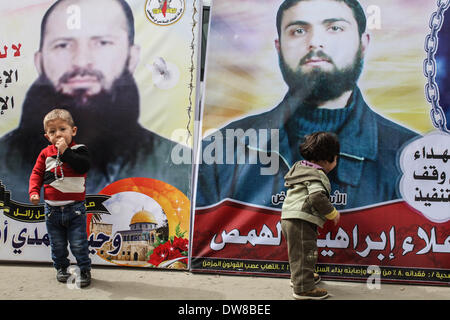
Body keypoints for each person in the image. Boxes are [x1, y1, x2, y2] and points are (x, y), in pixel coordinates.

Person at [196, 0, 419, 210]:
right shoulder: (220, 151)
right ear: (279, 47)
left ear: (363, 44)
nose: (314, 42)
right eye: (298, 31)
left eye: (335, 28)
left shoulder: (412, 158)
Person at [0, 0, 192, 203]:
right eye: (63, 45)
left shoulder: (179, 171)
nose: (81, 61)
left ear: (132, 57)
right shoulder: (3, 164)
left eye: (103, 43)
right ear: (40, 62)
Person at [29, 109, 91, 287]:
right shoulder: (45, 154)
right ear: (47, 136)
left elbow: (82, 167)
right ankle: (61, 267)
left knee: (78, 243)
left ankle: (84, 269)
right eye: (52, 131)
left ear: (73, 131)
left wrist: (65, 151)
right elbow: (37, 173)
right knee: (57, 245)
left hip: (75, 209)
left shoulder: (80, 150)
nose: (58, 134)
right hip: (52, 210)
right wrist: (34, 191)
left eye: (62, 129)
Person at [281, 131, 340, 300]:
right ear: (327, 158)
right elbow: (316, 197)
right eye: (336, 159)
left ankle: (300, 278)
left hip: (289, 216)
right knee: (306, 253)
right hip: (301, 218)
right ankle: (303, 289)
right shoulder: (317, 175)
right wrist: (332, 213)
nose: (335, 163)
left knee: (298, 252)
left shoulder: (301, 169)